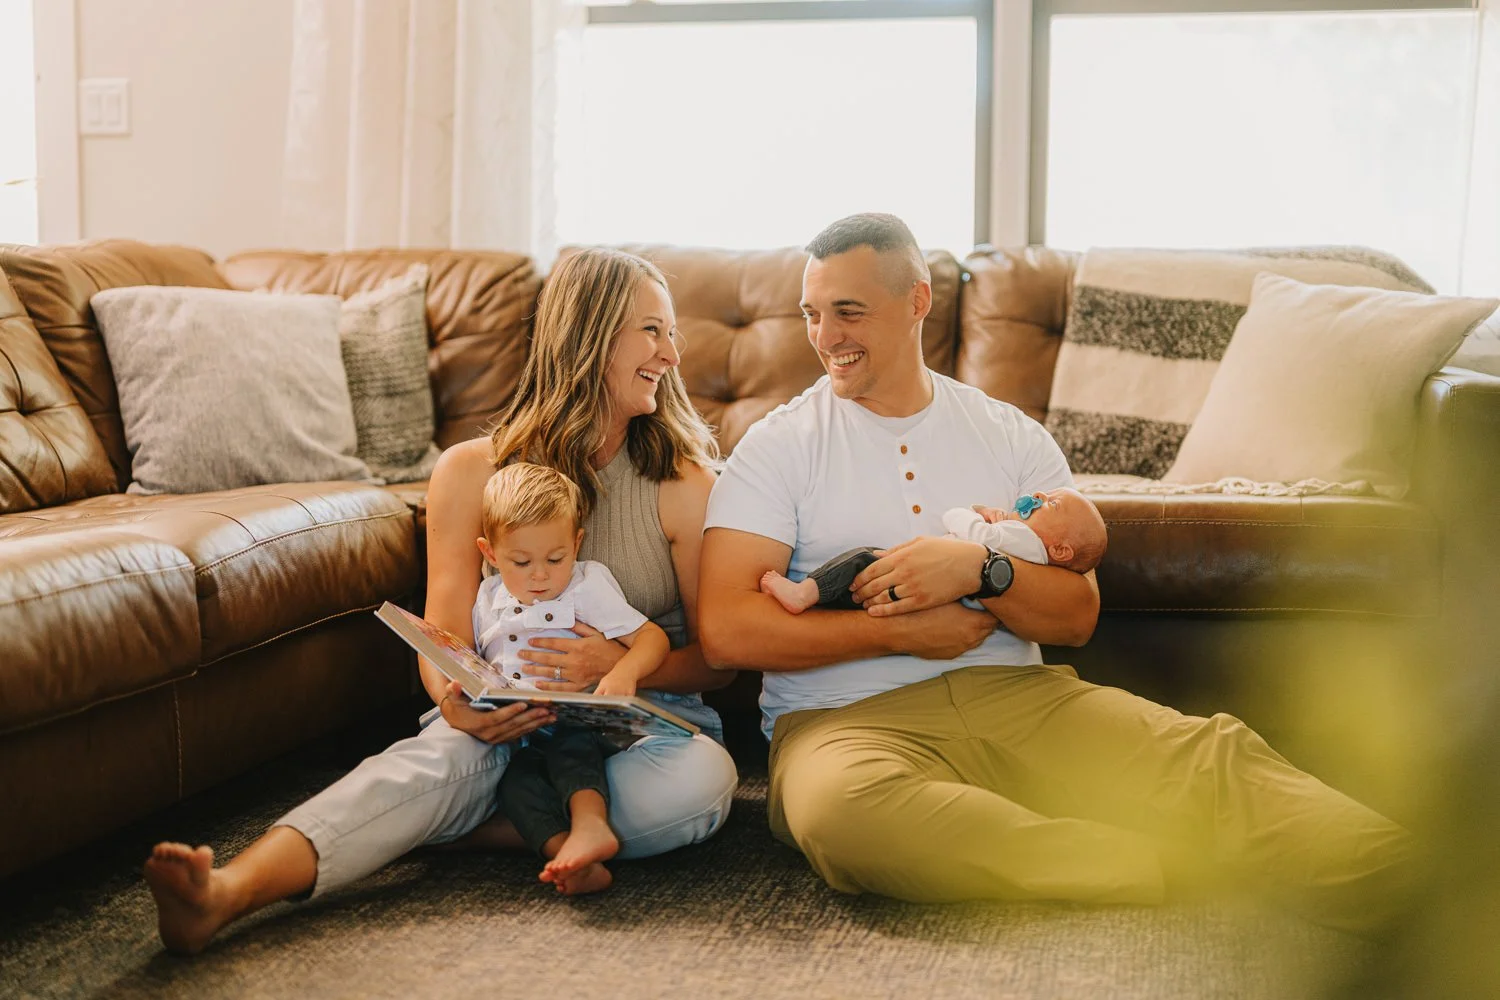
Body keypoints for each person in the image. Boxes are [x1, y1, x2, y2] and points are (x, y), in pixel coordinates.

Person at [697, 212, 1414, 935]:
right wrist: (900, 636)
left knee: (1208, 756)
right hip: (843, 724)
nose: (826, 337)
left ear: (918, 301)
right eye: (812, 315)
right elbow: (725, 631)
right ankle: (1160, 862)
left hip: (1020, 697)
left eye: (848, 312)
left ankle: (1436, 896)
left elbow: (1075, 617)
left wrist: (983, 568)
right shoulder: (779, 446)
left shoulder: (1010, 436)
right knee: (845, 818)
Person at [143, 248, 739, 954]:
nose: (672, 353)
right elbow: (444, 634)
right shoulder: (471, 472)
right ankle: (226, 893)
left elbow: (719, 661)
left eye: (673, 334)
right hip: (506, 719)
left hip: (638, 731)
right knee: (426, 764)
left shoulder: (683, 484)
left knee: (702, 784)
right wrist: (453, 699)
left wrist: (619, 665)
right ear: (589, 335)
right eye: (652, 331)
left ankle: (454, 828)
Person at [475, 462, 670, 895]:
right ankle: (568, 857)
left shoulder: (586, 585)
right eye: (521, 561)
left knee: (570, 747)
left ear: (576, 544)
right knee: (516, 785)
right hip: (520, 730)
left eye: (556, 558)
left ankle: (590, 826)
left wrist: (623, 671)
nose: (540, 575)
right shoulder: (488, 597)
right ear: (491, 554)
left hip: (580, 719)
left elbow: (652, 639)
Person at [759, 486, 1107, 614]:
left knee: (862, 561)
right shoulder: (1026, 547)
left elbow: (970, 531)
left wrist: (969, 515)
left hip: (919, 581)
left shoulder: (1024, 541)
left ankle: (804, 592)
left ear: (1060, 551)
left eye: (1053, 505)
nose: (1042, 497)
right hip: (943, 598)